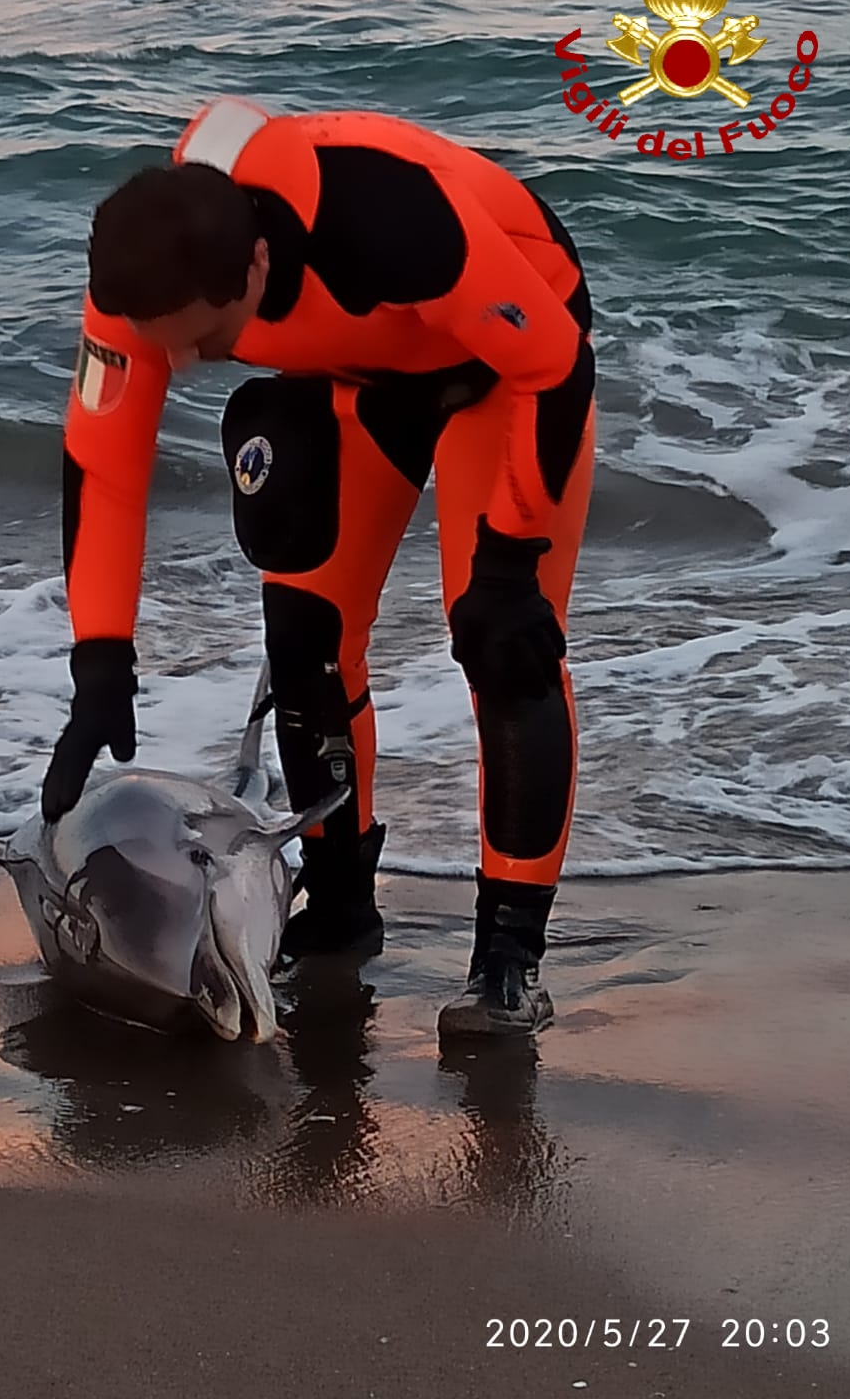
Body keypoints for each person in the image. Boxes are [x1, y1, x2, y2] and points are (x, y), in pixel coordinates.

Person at [44, 96, 595, 1038]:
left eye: (206, 342)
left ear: (257, 264)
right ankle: (338, 910)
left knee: (501, 643)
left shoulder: (393, 221)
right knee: (305, 639)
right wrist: (99, 659)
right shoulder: (147, 272)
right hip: (357, 374)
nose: (177, 361)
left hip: (506, 371)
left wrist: (507, 559)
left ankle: (509, 958)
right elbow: (104, 464)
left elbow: (552, 360)